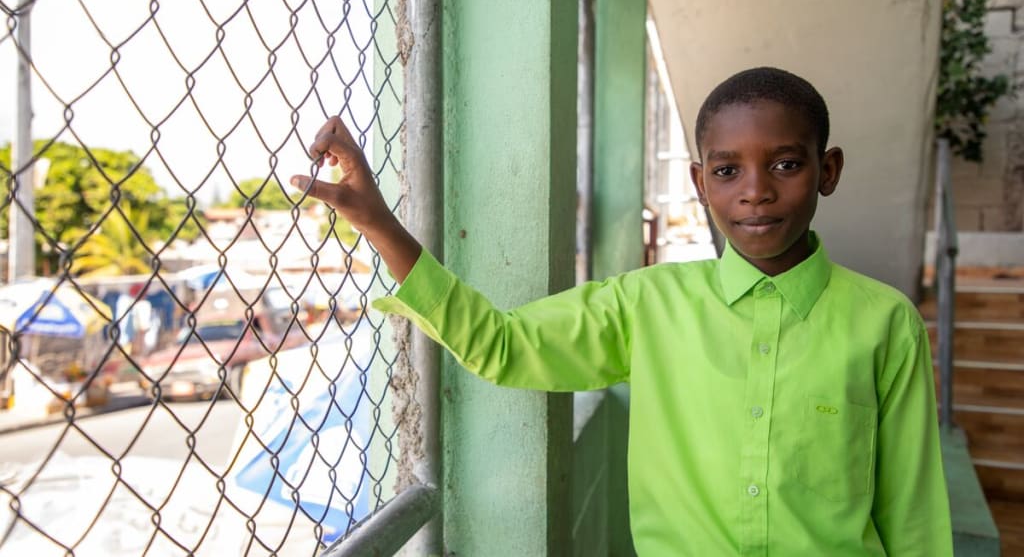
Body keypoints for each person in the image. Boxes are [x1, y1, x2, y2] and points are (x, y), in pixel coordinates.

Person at [291, 67, 953, 555]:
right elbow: (502, 344)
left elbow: (913, 510)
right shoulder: (646, 304)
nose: (756, 191)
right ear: (699, 183)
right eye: (727, 171)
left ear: (827, 170)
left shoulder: (884, 321)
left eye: (785, 163)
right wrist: (377, 221)